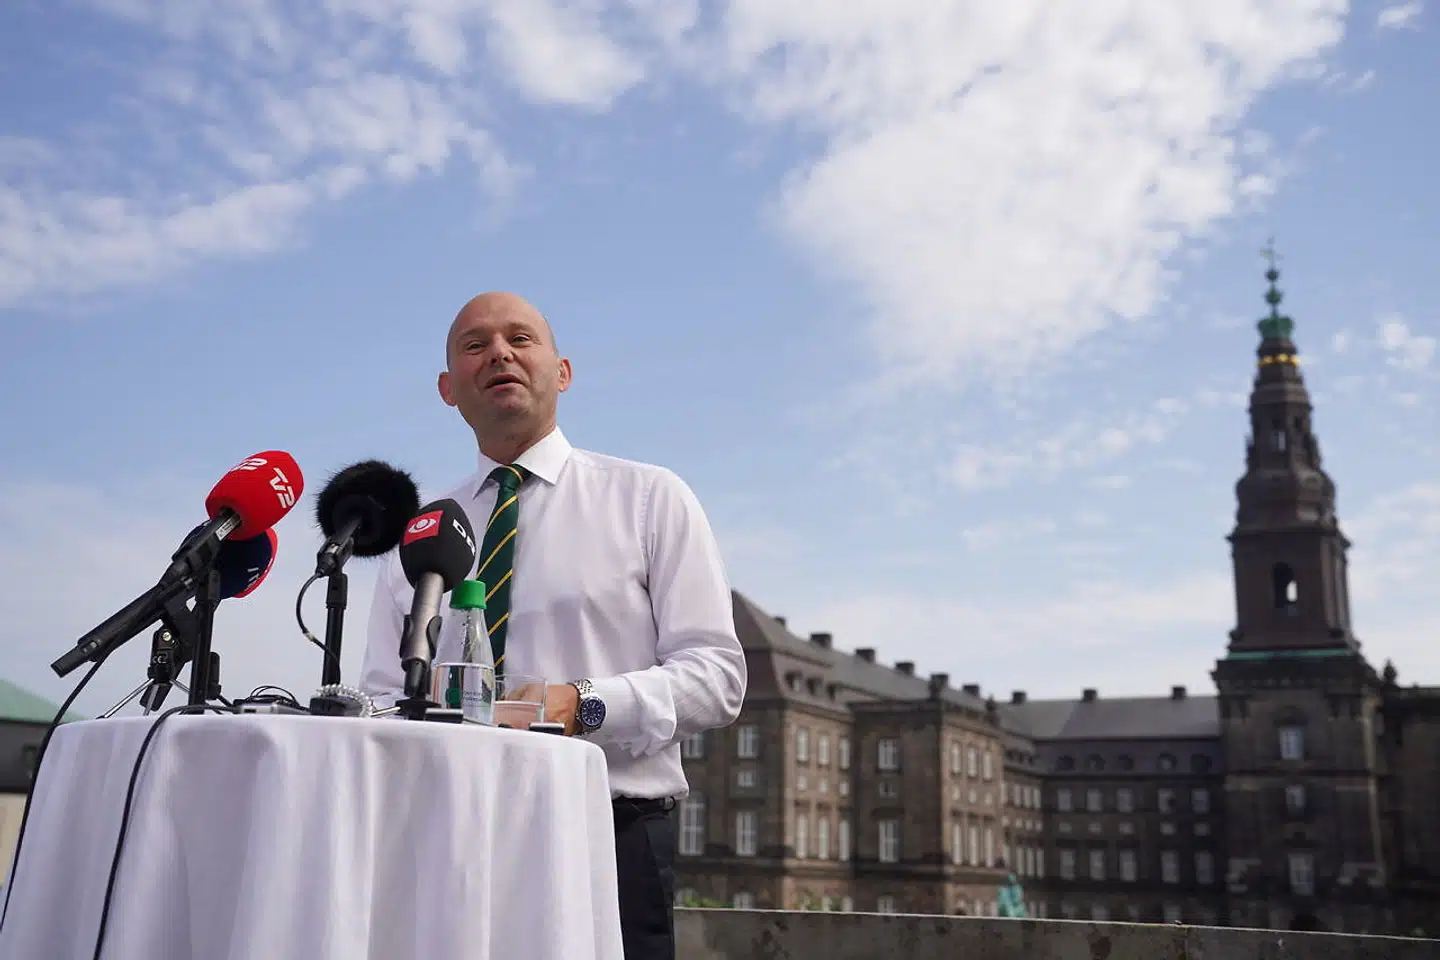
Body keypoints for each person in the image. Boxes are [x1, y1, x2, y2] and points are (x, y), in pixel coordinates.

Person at [358, 291, 747, 960]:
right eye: (475, 346)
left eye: (520, 339)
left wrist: (582, 703)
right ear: (449, 388)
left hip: (604, 829)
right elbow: (381, 693)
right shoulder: (421, 532)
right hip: (444, 836)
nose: (500, 353)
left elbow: (716, 677)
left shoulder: (650, 498)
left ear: (561, 371)